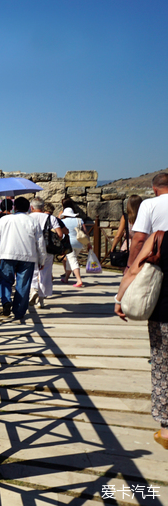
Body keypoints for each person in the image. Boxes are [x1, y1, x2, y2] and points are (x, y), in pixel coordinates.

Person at [115, 172, 168, 450]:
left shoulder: (158, 235)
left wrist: (121, 296)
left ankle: (166, 429)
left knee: (162, 363)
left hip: (163, 305)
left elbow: (137, 248)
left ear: (155, 189)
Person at [0, 196, 46, 323]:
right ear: (28, 207)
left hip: (8, 253)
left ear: (14, 207)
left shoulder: (6, 219)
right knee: (23, 284)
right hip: (28, 255)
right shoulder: (33, 221)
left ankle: (6, 301)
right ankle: (19, 311)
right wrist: (41, 260)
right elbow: (40, 242)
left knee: (5, 280)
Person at [28, 197, 63, 309]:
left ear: (32, 207)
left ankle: (33, 290)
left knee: (32, 270)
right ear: (43, 207)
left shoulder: (28, 218)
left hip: (31, 248)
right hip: (47, 249)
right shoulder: (51, 218)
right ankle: (41, 300)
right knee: (45, 273)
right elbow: (60, 234)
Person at [59, 207, 88, 287]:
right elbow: (85, 232)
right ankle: (66, 279)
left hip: (68, 243)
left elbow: (60, 233)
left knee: (72, 261)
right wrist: (88, 244)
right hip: (79, 243)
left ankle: (79, 280)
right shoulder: (79, 220)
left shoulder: (62, 221)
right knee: (70, 260)